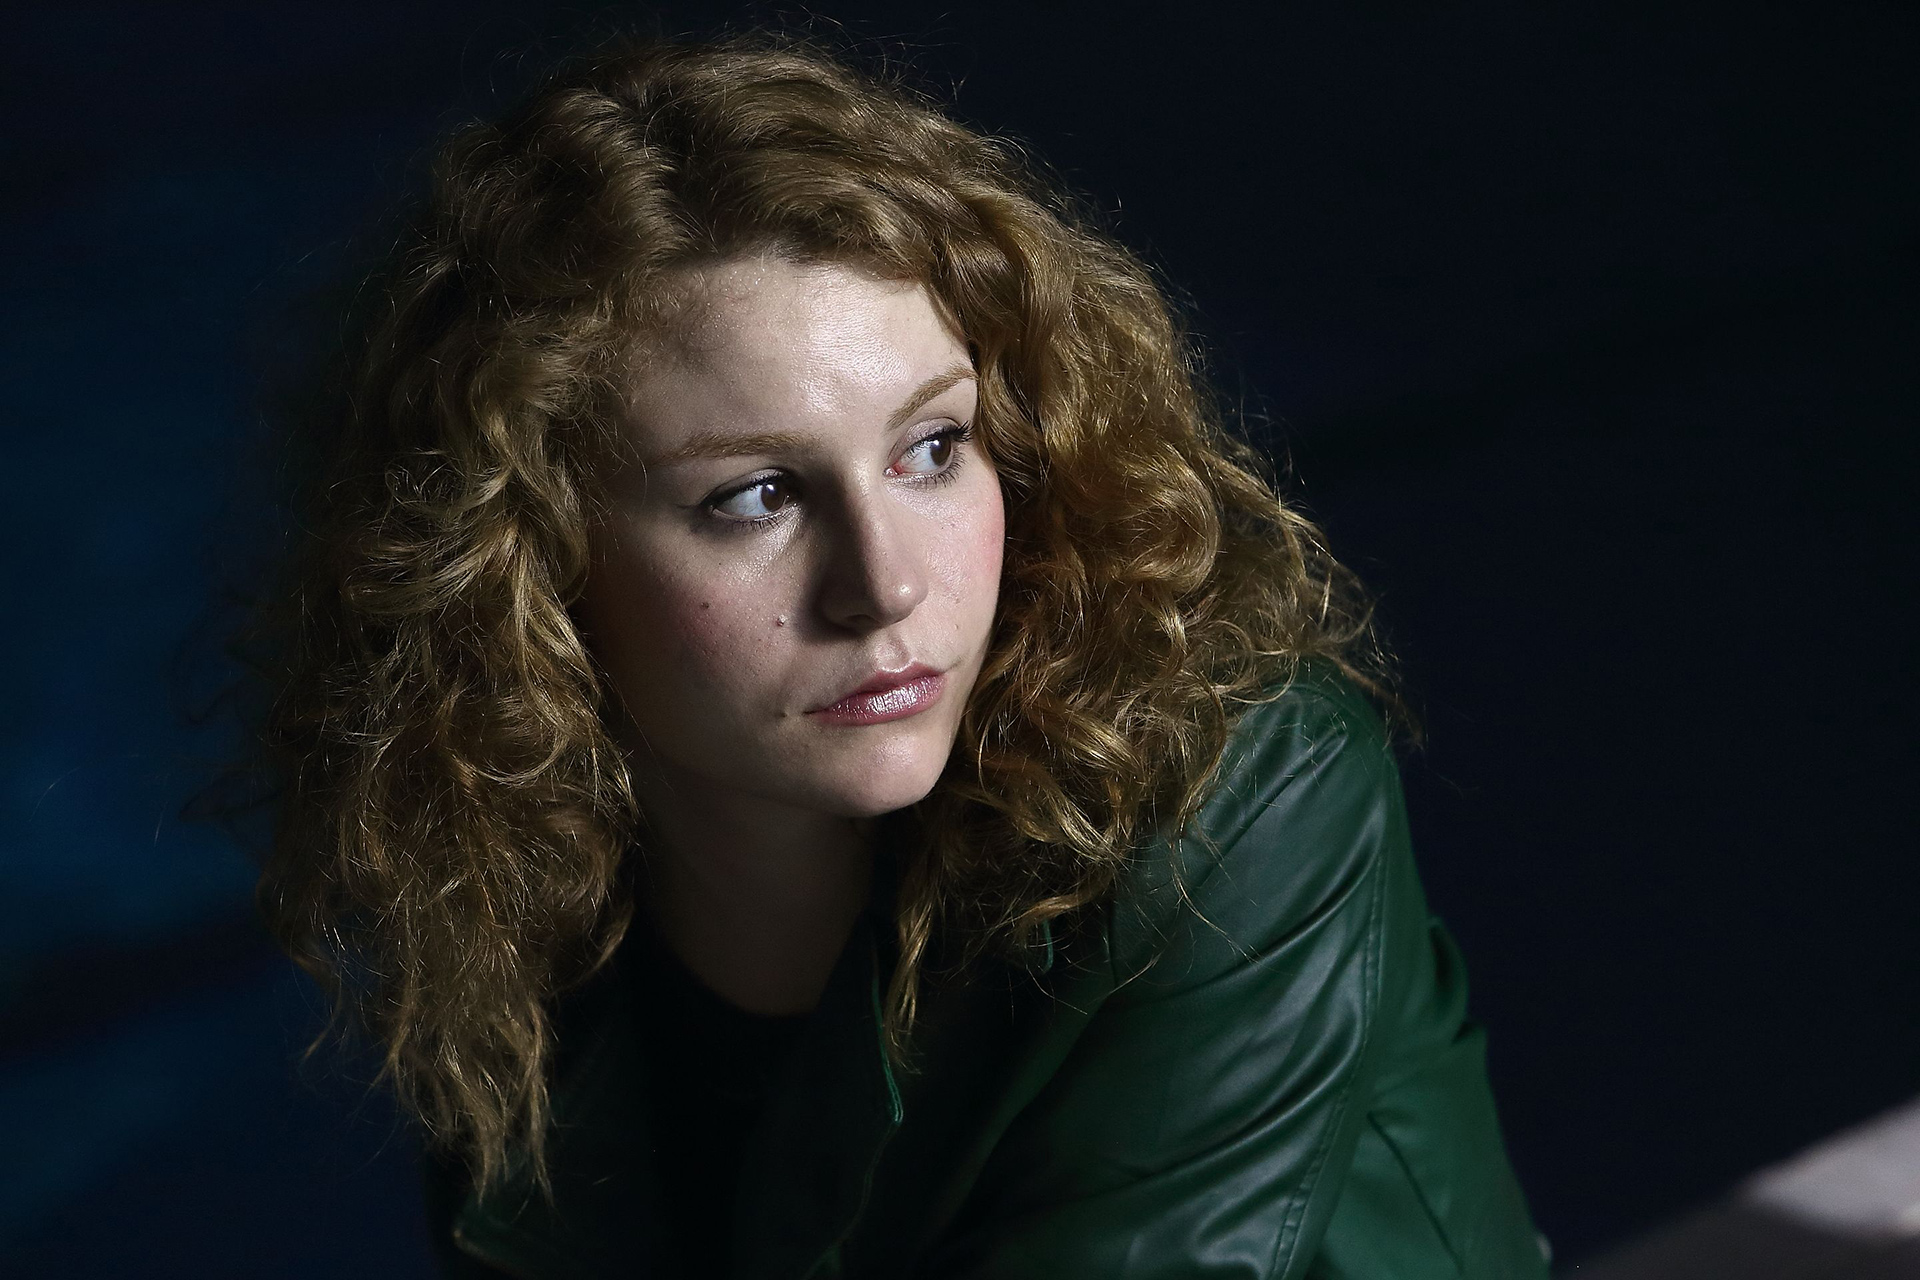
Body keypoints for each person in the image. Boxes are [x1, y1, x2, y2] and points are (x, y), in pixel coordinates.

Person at [251, 29, 1551, 1280]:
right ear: (518, 568)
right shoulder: (495, 876)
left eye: (933, 449)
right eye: (756, 496)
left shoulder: (1231, 786)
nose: (886, 587)